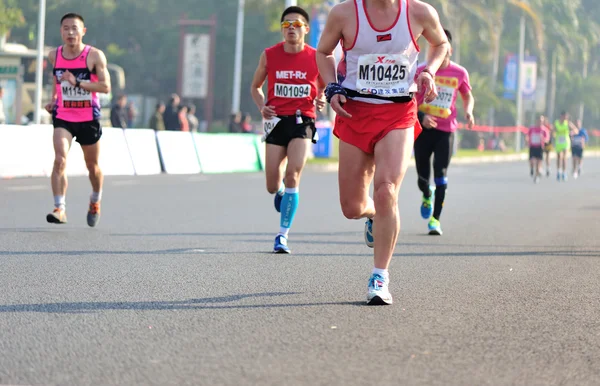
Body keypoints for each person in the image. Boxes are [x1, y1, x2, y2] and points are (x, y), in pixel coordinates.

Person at [317, 0, 448, 304]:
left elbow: (440, 43)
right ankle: (375, 215)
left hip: (399, 113)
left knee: (387, 190)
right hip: (354, 112)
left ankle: (380, 277)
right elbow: (322, 52)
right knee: (351, 206)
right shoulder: (344, 13)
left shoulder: (419, 12)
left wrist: (429, 70)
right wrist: (331, 87)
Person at [250, 6, 326, 254]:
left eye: (296, 24)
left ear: (305, 29)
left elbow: (326, 84)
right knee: (272, 185)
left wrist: (322, 97)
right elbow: (256, 87)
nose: (291, 28)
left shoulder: (316, 56)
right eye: (286, 25)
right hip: (276, 121)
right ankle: (281, 192)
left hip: (302, 120)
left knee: (293, 173)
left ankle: (282, 236)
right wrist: (262, 106)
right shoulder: (270, 55)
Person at [43, 13, 111, 227]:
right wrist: (54, 100)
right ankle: (59, 208)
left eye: (74, 28)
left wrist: (77, 82)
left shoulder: (94, 56)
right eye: (66, 28)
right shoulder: (54, 55)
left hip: (88, 117)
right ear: (61, 31)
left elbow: (105, 87)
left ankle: (95, 199)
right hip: (64, 116)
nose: (70, 32)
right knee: (60, 160)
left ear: (83, 31)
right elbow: (57, 81)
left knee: (92, 166)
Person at [414, 28, 474, 235]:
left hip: (445, 131)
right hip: (422, 130)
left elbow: (467, 96)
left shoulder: (460, 73)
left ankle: (435, 220)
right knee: (423, 176)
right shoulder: (420, 70)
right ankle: (426, 194)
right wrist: (422, 117)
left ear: (449, 49)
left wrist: (469, 112)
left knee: (441, 173)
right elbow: (409, 100)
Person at [553, 111, 578, 181]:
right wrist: (554, 134)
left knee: (564, 158)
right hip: (558, 142)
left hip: (565, 142)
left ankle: (564, 172)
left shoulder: (568, 123)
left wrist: (572, 132)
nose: (565, 118)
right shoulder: (556, 123)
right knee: (559, 157)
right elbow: (553, 131)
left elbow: (576, 130)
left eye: (566, 117)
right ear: (561, 116)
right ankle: (558, 171)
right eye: (564, 116)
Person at [527, 115, 550, 183]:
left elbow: (547, 140)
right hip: (532, 147)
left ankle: (536, 176)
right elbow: (527, 136)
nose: (540, 122)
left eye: (541, 121)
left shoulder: (544, 130)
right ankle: (531, 168)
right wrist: (527, 140)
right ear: (536, 121)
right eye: (539, 121)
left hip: (540, 147)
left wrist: (543, 139)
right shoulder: (532, 128)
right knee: (532, 161)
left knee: (538, 163)